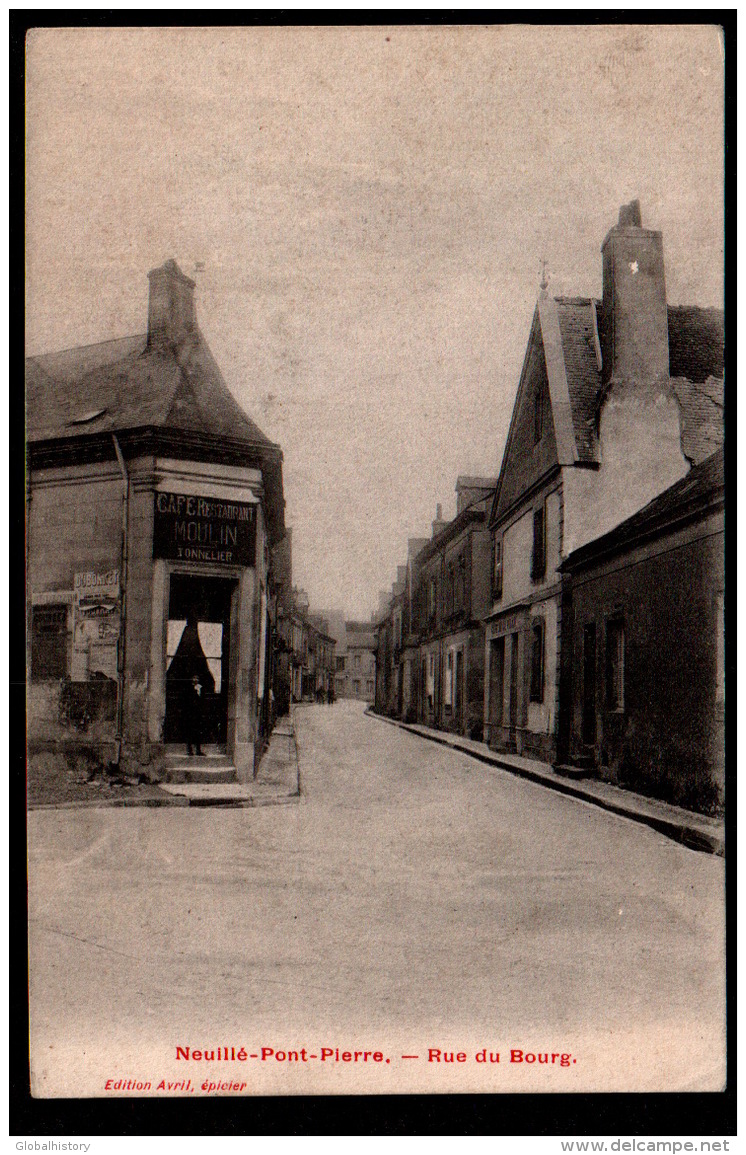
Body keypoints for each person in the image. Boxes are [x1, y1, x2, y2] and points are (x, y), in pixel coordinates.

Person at [166, 611, 215, 755]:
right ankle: (191, 749)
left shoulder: (193, 636)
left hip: (194, 692)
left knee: (195, 721)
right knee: (191, 721)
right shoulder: (189, 636)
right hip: (189, 692)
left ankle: (195, 749)